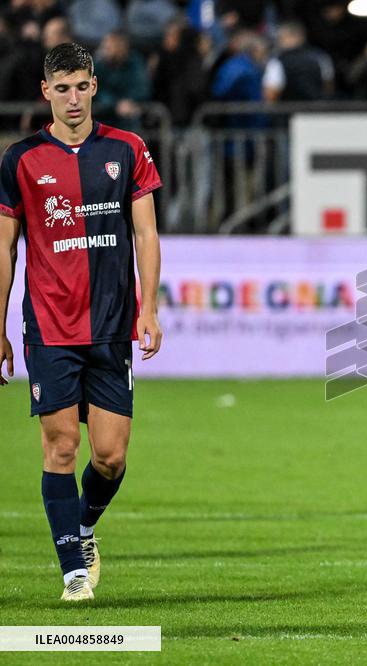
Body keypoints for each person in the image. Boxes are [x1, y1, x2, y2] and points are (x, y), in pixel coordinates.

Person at [0, 42, 163, 601]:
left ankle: (85, 524)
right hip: (49, 327)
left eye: (81, 86)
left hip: (114, 324)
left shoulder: (128, 148)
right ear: (46, 91)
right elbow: (6, 249)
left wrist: (149, 307)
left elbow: (145, 234)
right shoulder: (20, 160)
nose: (73, 98)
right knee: (61, 446)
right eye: (61, 88)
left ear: (94, 86)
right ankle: (73, 570)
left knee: (111, 457)